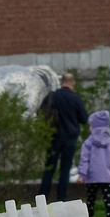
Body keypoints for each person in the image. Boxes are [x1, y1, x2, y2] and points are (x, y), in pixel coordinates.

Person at [41, 71, 88, 204]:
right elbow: (84, 118)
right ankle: (61, 197)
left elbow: (41, 113)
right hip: (70, 138)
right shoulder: (75, 98)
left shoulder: (52, 96)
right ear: (73, 83)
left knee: (49, 167)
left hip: (53, 137)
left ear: (61, 83)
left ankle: (43, 196)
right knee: (65, 169)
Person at [77, 110, 110, 217]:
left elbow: (84, 159)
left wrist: (82, 174)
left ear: (93, 127)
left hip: (92, 177)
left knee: (91, 200)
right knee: (108, 199)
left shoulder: (88, 143)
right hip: (108, 176)